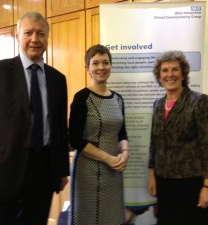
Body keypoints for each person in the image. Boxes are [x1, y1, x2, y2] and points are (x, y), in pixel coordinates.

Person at [0, 11, 70, 225]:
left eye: (41, 33)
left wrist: (60, 170)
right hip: (2, 171)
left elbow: (60, 127)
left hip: (43, 171)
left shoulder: (58, 79)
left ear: (47, 39)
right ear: (18, 37)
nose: (35, 39)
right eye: (28, 33)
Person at [147, 51, 208, 225]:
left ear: (183, 74)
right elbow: (154, 143)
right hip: (164, 184)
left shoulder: (200, 101)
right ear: (159, 76)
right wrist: (152, 175)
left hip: (192, 184)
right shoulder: (158, 104)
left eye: (175, 69)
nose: (169, 74)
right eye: (164, 70)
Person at [68, 44, 130, 225]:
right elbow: (75, 139)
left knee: (111, 217)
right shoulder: (82, 98)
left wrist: (125, 152)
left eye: (105, 62)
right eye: (95, 63)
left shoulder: (118, 99)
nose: (101, 68)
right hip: (87, 170)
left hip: (114, 170)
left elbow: (122, 132)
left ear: (111, 65)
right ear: (87, 68)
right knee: (87, 218)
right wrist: (107, 158)